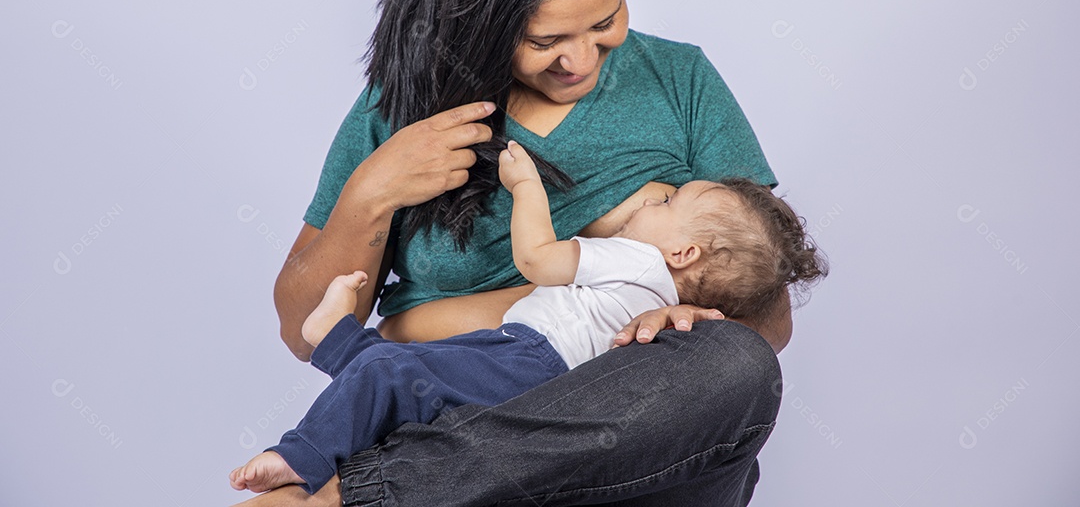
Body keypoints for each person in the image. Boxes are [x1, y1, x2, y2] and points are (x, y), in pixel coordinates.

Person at [234, 0, 803, 507]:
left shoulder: (681, 80)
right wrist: (373, 191)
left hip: (636, 454)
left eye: (605, 21)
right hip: (459, 451)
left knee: (737, 363)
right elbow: (300, 324)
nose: (581, 59)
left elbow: (768, 310)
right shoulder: (400, 109)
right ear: (487, 22)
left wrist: (419, 328)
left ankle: (349, 499)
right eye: (547, 39)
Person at [229, 141, 826, 495]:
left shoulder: (636, 258)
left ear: (684, 254)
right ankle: (335, 343)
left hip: (532, 360)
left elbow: (537, 258)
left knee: (394, 375)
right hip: (543, 382)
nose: (652, 198)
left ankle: (302, 463)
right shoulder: (656, 277)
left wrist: (526, 185)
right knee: (404, 375)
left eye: (668, 201)